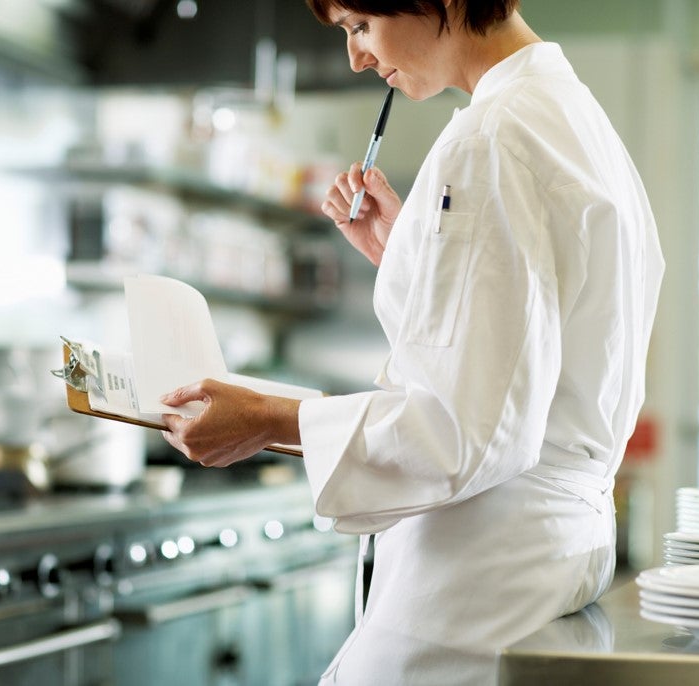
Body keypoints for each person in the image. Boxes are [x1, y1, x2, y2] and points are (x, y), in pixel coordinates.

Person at [160, 0, 664, 683]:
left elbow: (459, 428)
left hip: (483, 571)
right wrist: (407, 252)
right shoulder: (570, 115)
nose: (356, 58)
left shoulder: (493, 137)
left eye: (358, 26)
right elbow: (535, 331)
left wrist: (269, 421)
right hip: (547, 553)